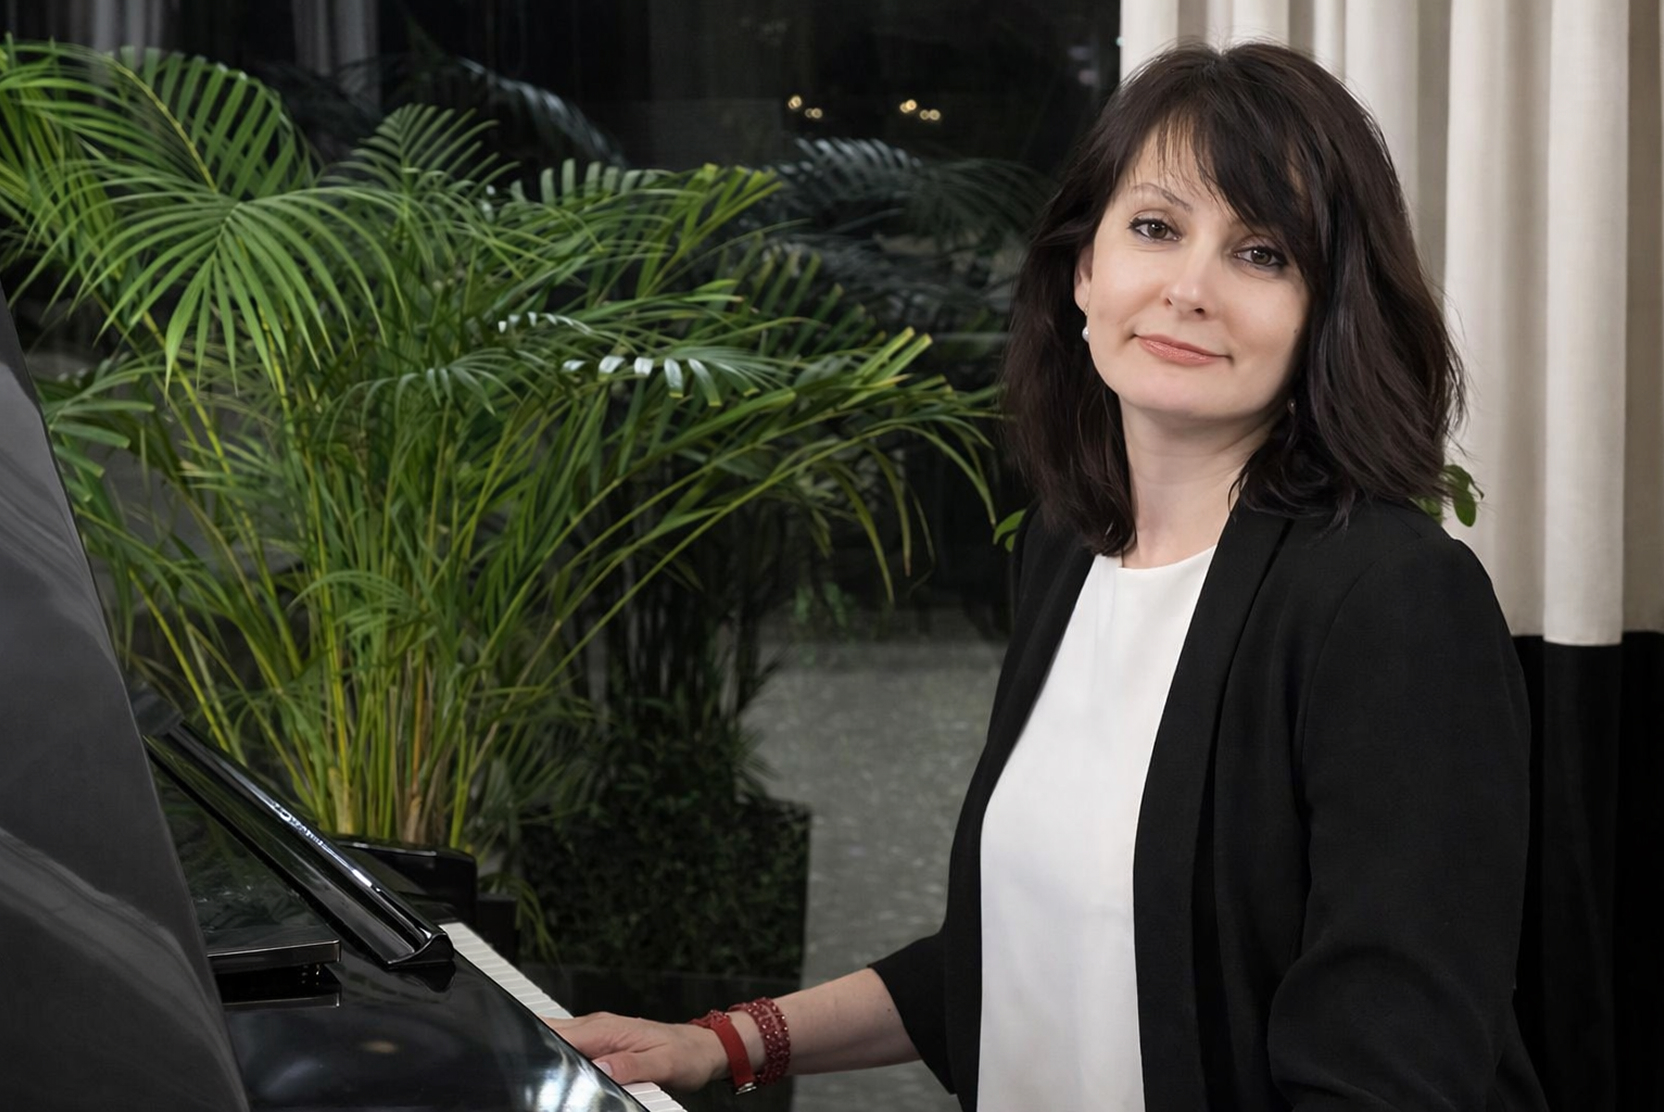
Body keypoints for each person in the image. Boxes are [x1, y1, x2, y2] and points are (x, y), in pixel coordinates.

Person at [548, 41, 1549, 1111]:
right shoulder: (1068, 549)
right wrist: (720, 1042)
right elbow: (1016, 952)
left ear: (1324, 310)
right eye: (1155, 228)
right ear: (1083, 268)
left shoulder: (1388, 600)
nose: (1187, 288)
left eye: (1261, 254)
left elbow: (1386, 1078)